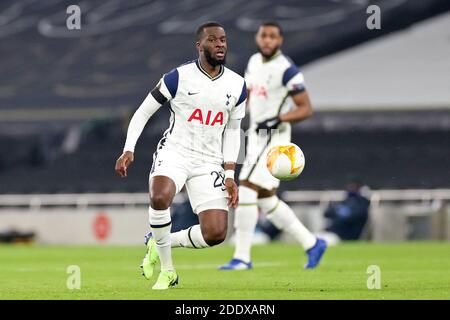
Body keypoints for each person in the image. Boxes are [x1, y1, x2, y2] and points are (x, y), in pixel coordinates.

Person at [115, 21, 246, 290]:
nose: (220, 44)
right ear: (199, 46)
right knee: (160, 196)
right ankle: (168, 270)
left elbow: (233, 132)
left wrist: (230, 174)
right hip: (175, 152)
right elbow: (142, 112)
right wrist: (129, 148)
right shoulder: (177, 77)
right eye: (213, 40)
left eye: (223, 40)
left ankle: (159, 241)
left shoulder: (238, 85)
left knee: (215, 234)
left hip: (209, 161)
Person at [219, 22, 326, 271]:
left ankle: (242, 257)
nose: (267, 40)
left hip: (274, 138)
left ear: (280, 40)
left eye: (272, 36)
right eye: (263, 36)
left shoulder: (287, 69)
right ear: (258, 38)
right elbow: (247, 94)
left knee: (245, 186)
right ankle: (312, 243)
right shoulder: (254, 61)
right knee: (266, 198)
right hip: (255, 134)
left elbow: (306, 108)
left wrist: (280, 118)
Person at [319, 177, 370, 245]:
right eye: (350, 186)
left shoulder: (362, 203)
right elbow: (326, 213)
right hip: (331, 233)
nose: (351, 189)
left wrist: (341, 213)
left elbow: (353, 217)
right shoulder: (345, 201)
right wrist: (337, 211)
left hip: (345, 237)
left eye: (354, 187)